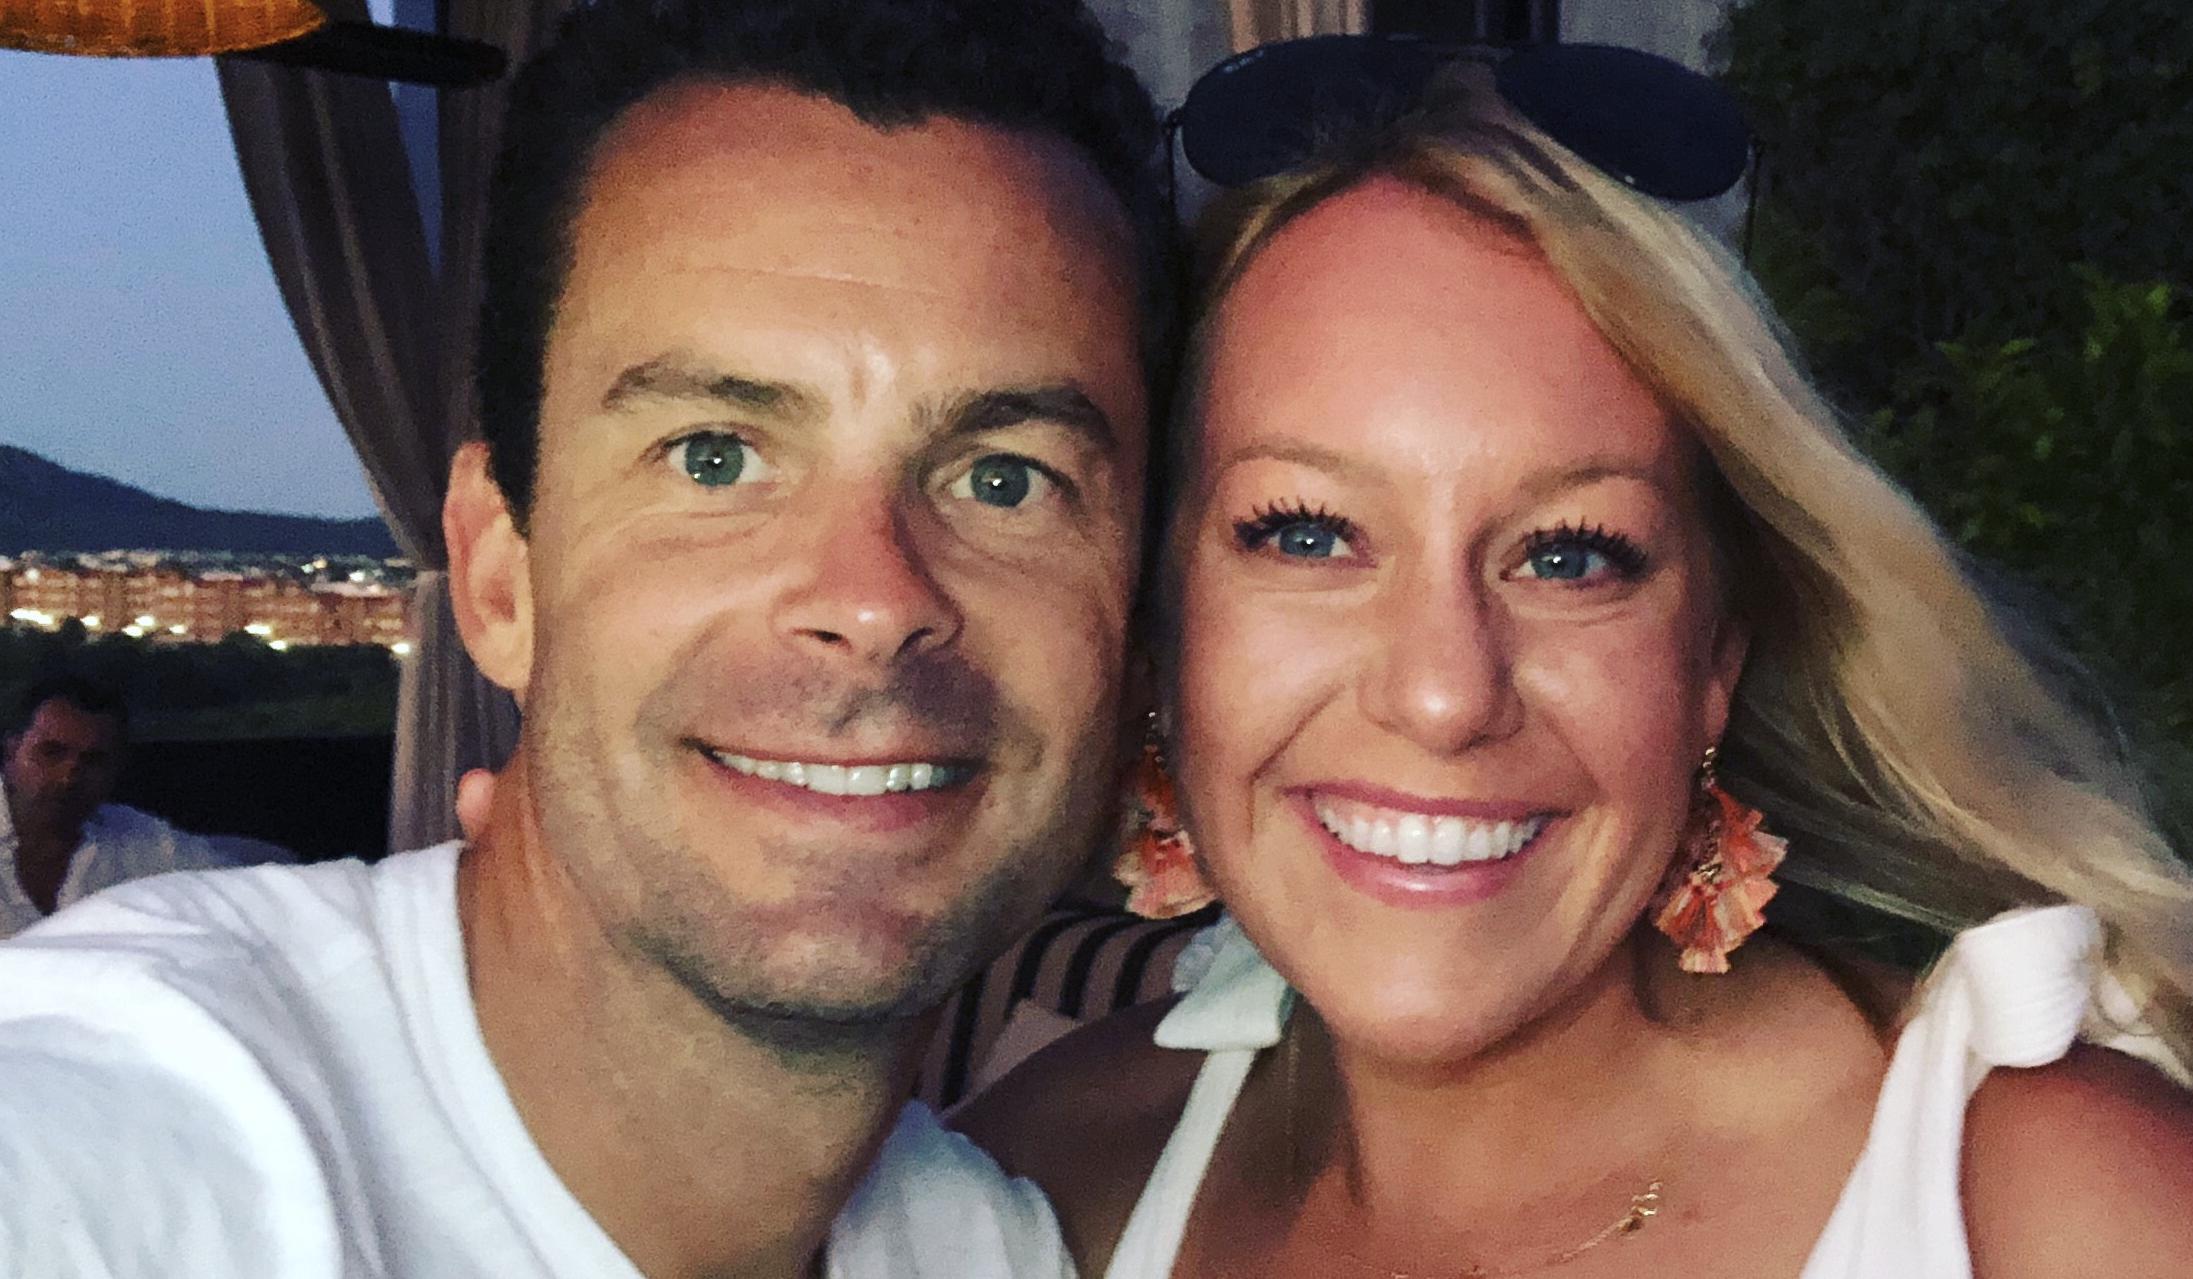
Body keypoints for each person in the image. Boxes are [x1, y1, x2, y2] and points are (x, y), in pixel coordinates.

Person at [959, 57, 2193, 1279]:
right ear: (1166, 630)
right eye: (1309, 534)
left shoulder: (2057, 1211)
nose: (1444, 695)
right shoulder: (1043, 1191)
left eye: (1569, 556)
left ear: (1715, 657)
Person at [0, 0, 1165, 1274]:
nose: (874, 600)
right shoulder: (105, 1156)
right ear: (500, 577)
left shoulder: (988, 1248)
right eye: (713, 457)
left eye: (1004, 480)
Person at [0, 673, 275, 939]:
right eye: (51, 753)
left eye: (94, 761)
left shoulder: (142, 843)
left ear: (116, 770)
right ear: (11, 753)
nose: (69, 775)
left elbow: (246, 895)